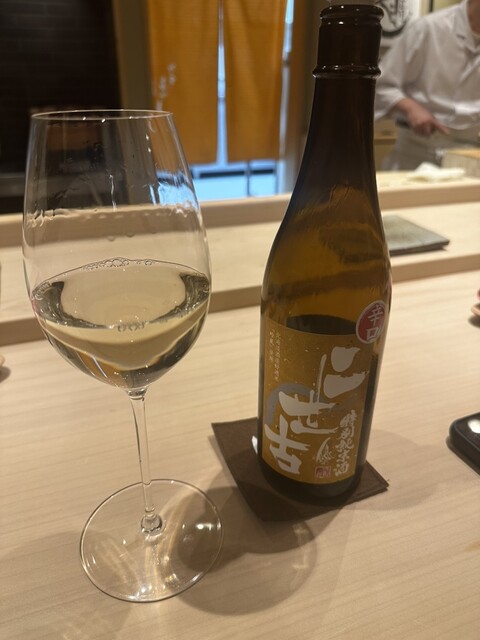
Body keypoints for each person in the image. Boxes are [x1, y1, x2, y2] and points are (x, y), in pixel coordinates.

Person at [374, 0, 480, 170]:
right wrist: (410, 108)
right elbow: (380, 84)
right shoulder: (429, 28)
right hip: (417, 153)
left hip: (470, 156)